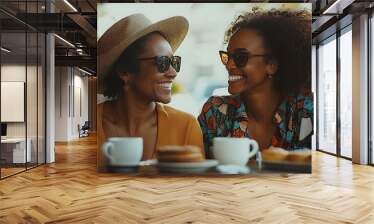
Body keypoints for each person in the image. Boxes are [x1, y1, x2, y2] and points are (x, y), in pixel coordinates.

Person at [198, 8, 313, 158]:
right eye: (228, 56)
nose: (229, 65)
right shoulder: (216, 112)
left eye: (240, 57)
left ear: (271, 65)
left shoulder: (304, 111)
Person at [97, 14, 204, 168]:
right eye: (162, 62)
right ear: (124, 71)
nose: (173, 72)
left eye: (174, 62)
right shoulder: (94, 125)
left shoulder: (186, 126)